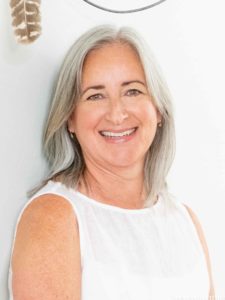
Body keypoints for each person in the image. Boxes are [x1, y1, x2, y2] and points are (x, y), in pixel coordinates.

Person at [9, 25, 215, 300]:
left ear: (158, 110)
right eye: (95, 96)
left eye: (132, 91)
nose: (117, 114)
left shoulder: (185, 220)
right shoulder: (55, 217)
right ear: (70, 118)